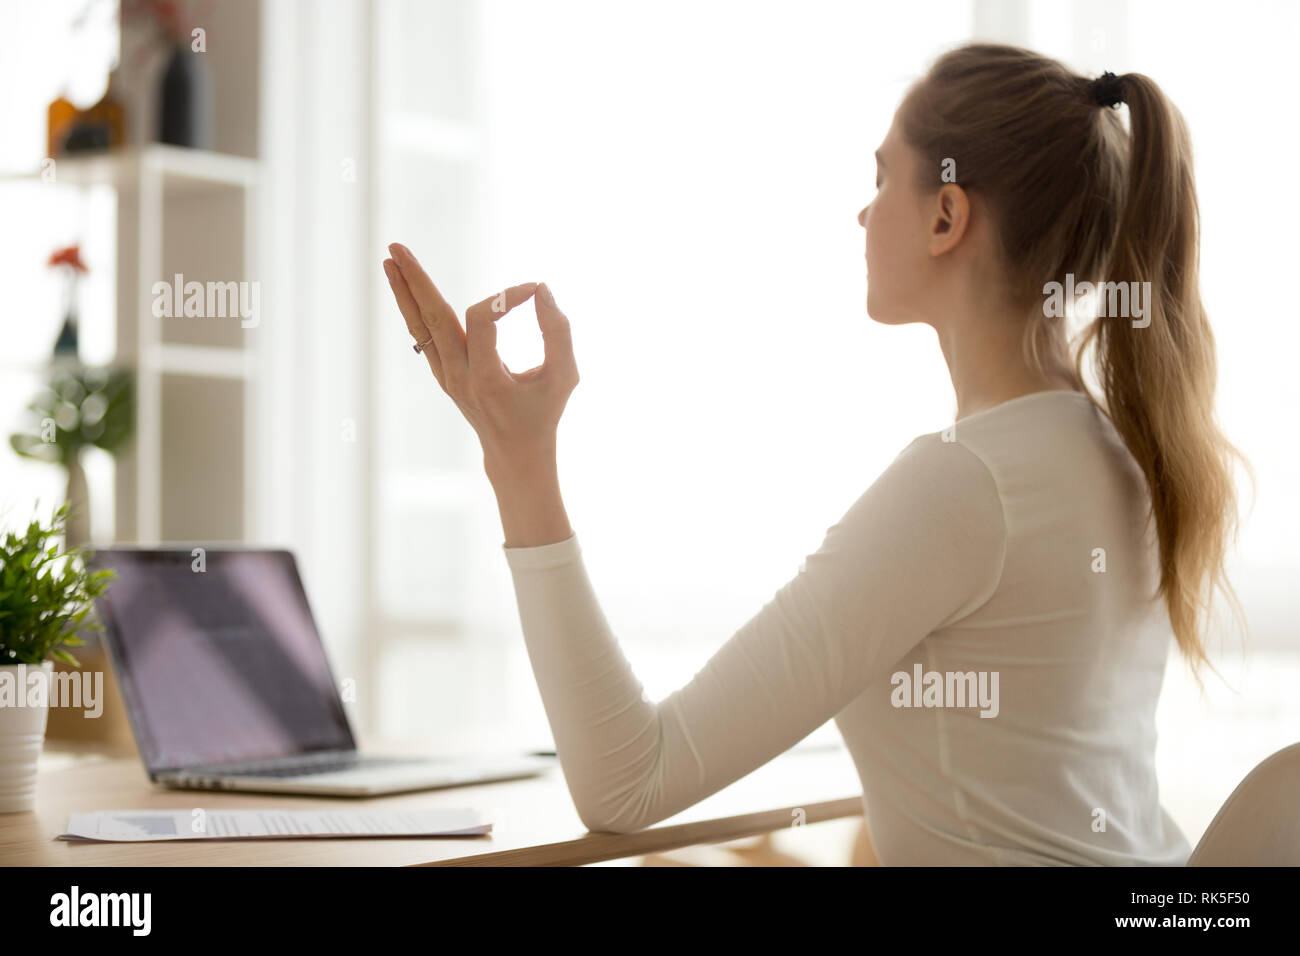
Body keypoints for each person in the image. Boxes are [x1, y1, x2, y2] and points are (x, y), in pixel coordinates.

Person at [381, 41, 1245, 866]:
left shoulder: (967, 482)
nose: (862, 212)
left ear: (947, 214)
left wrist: (518, 456)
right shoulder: (1113, 453)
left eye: (881, 177)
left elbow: (627, 780)